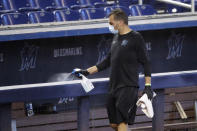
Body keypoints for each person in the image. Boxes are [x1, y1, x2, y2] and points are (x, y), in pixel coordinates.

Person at [73, 9, 153, 131]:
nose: (109, 26)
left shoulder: (136, 38)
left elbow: (146, 62)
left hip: (128, 87)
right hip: (113, 87)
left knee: (121, 122)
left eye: (111, 23)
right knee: (114, 124)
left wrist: (148, 86)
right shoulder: (115, 38)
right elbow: (107, 61)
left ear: (120, 22)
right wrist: (86, 71)